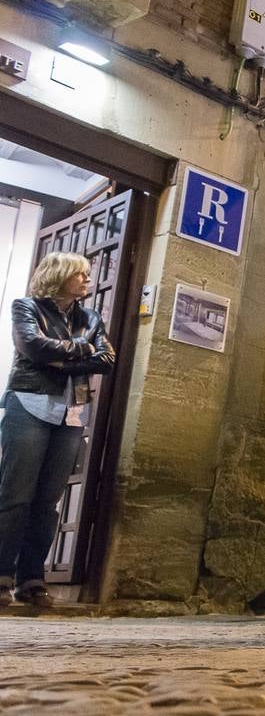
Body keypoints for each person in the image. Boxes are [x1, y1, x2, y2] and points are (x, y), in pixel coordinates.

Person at [0, 252, 114, 610]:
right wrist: (81, 349)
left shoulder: (90, 316)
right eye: (79, 274)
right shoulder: (26, 307)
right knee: (16, 495)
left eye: (87, 274)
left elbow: (107, 360)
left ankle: (31, 579)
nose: (87, 279)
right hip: (30, 402)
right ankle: (2, 574)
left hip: (73, 410)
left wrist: (59, 356)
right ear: (59, 275)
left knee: (48, 501)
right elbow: (31, 346)